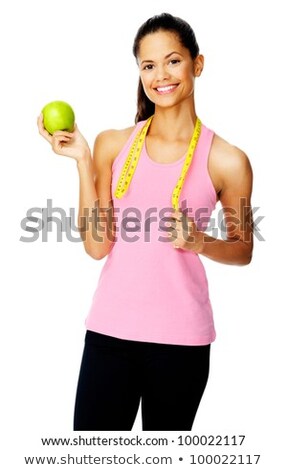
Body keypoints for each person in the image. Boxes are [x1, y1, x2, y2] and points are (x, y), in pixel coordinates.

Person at [37, 12, 253, 431]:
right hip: (109, 335)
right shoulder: (112, 144)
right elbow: (98, 247)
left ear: (198, 64)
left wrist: (200, 241)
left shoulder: (227, 159)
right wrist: (82, 160)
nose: (161, 75)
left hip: (182, 342)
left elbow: (243, 249)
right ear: (139, 72)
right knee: (92, 455)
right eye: (148, 65)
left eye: (173, 61)